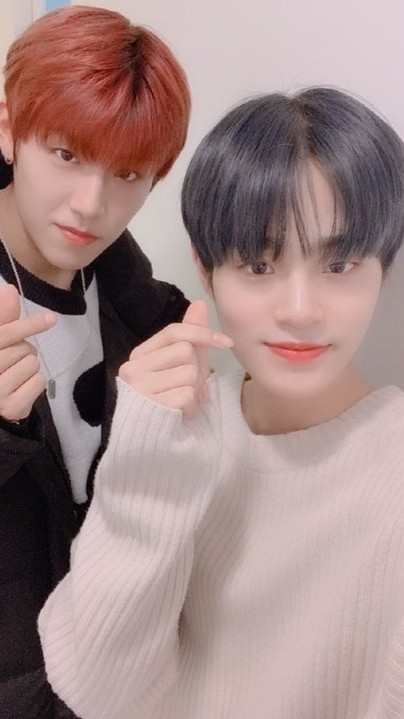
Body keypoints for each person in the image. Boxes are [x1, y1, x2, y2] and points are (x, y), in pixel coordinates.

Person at [39, 86, 404, 719]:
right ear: (205, 271)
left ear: (385, 268)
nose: (299, 311)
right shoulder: (180, 428)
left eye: (340, 264)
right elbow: (100, 693)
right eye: (259, 266)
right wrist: (146, 460)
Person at [0, 5, 191, 717]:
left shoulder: (114, 275)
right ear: (8, 130)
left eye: (128, 173)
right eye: (66, 155)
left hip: (101, 667)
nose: (91, 204)